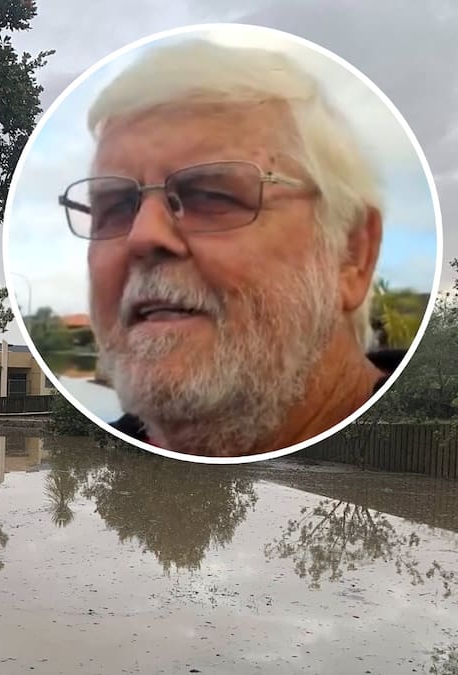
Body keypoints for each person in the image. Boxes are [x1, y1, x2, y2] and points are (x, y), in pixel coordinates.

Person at [59, 38, 406, 458]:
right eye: (115, 207)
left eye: (211, 196)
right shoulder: (92, 465)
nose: (143, 236)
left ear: (351, 255)